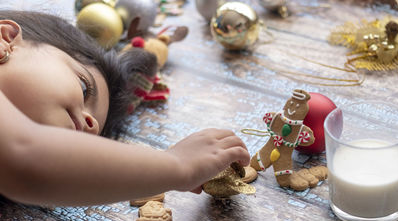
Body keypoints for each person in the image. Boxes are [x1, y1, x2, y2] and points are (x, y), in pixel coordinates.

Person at [0, 10, 250, 206]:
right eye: (85, 88)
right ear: (6, 38)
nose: (92, 125)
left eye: (91, 141)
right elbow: (29, 159)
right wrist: (177, 165)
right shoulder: (21, 161)